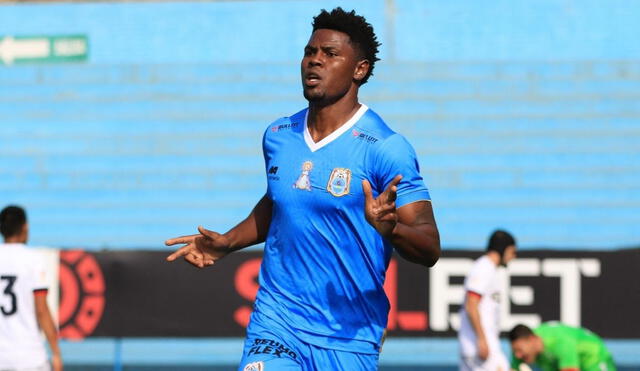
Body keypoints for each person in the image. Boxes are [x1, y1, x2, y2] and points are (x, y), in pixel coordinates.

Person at [165, 7, 440, 371]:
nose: (315, 61)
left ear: (360, 69)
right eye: (310, 52)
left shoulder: (385, 147)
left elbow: (429, 246)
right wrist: (228, 242)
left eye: (330, 54)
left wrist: (391, 229)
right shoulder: (278, 136)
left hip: (347, 337)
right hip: (276, 322)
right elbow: (282, 202)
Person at [0, 205, 62, 371]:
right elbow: (41, 310)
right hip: (29, 356)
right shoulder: (32, 259)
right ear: (25, 227)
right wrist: (56, 352)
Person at [458, 230, 517, 371]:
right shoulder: (484, 268)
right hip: (480, 346)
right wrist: (482, 339)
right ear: (504, 249)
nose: (513, 257)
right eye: (512, 252)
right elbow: (471, 305)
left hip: (477, 345)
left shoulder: (489, 269)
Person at [509, 322, 616, 371]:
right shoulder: (519, 353)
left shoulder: (559, 342)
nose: (518, 355)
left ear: (532, 339)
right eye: (514, 351)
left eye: (519, 350)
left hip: (593, 357)